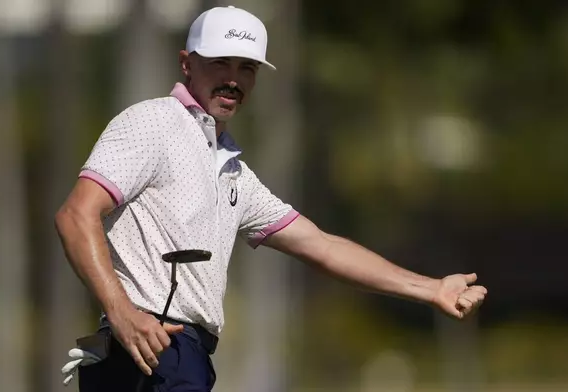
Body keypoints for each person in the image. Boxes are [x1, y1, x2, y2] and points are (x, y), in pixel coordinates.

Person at [55, 5, 487, 392]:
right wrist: (122, 313)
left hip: (181, 355)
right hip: (151, 349)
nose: (233, 79)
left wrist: (430, 289)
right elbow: (77, 215)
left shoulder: (234, 172)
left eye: (247, 68)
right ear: (187, 64)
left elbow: (323, 246)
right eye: (220, 62)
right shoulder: (152, 123)